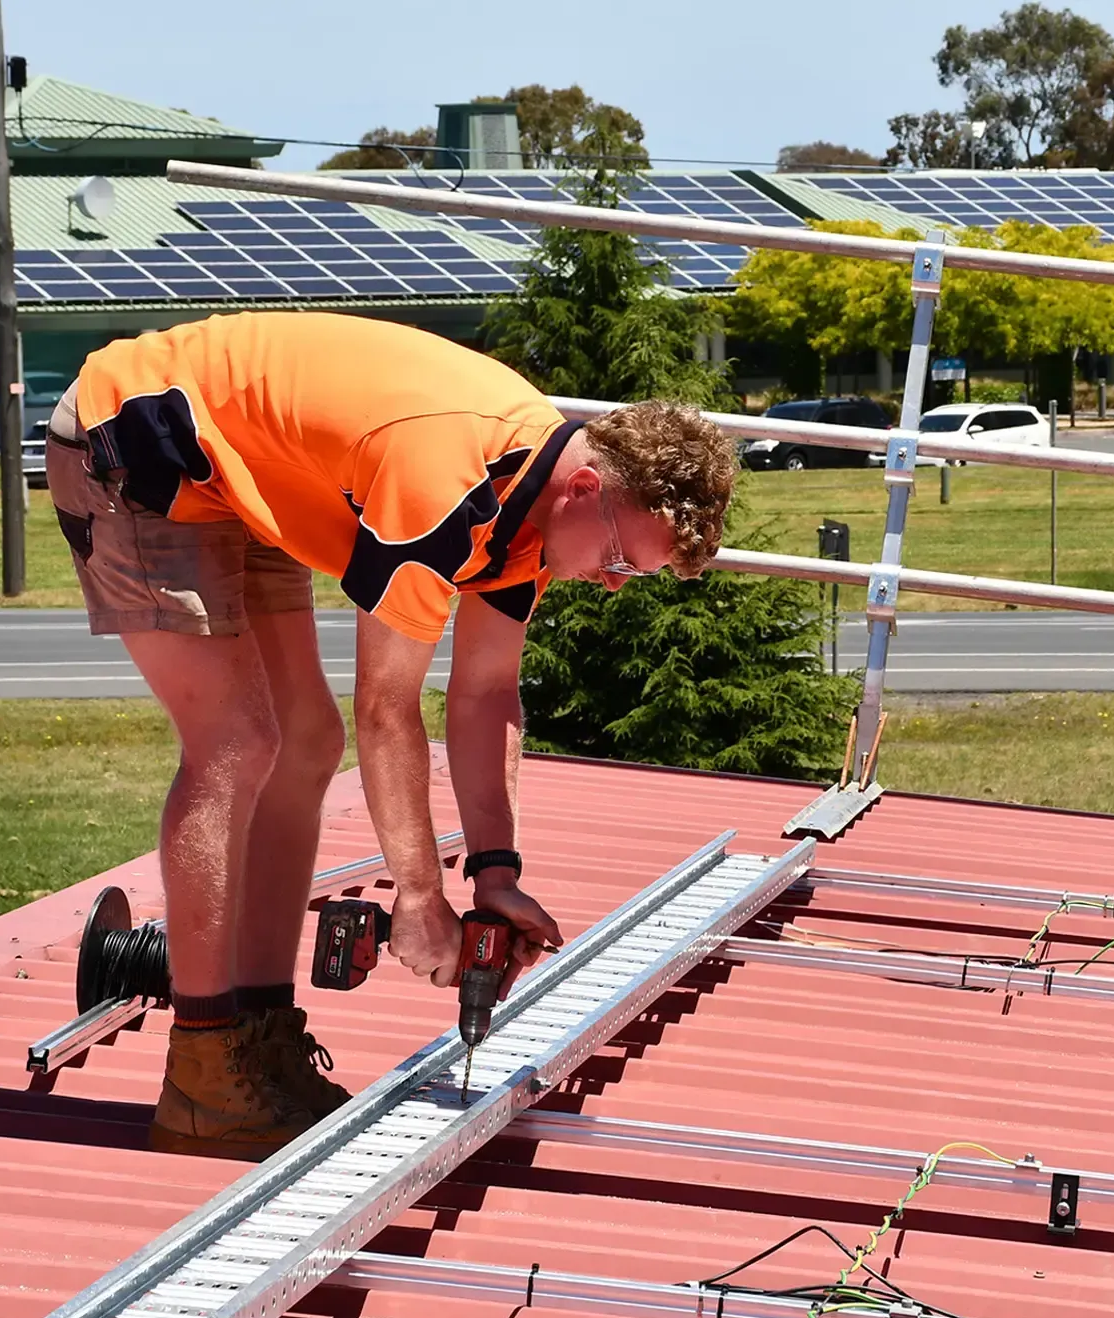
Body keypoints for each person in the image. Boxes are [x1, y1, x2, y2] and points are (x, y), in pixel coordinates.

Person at [44, 311, 736, 1159]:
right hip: (135, 437)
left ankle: (258, 1038)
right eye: (624, 562)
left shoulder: (535, 510)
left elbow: (484, 693)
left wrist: (495, 873)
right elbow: (390, 706)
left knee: (305, 741)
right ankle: (202, 1075)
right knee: (236, 742)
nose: (616, 587)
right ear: (588, 491)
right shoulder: (449, 479)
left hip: (235, 467)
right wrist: (416, 901)